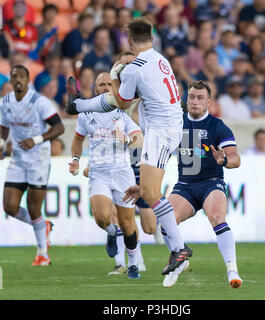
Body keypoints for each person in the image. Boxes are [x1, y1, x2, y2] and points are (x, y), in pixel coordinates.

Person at [66, 18, 192, 276]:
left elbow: (120, 102)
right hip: (171, 127)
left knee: (151, 194)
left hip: (159, 131)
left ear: (130, 42)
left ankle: (179, 247)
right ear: (152, 39)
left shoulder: (135, 69)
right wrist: (81, 106)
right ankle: (177, 248)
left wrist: (112, 76)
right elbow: (123, 97)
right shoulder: (160, 59)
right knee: (148, 191)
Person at [123, 81, 243, 288]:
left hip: (211, 184)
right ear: (186, 99)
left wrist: (224, 160)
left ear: (208, 102)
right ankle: (180, 259)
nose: (195, 101)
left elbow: (235, 158)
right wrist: (144, 185)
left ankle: (232, 270)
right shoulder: (175, 124)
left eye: (200, 98)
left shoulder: (217, 126)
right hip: (185, 186)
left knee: (216, 217)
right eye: (192, 97)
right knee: (165, 222)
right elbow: (159, 157)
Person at [69, 72, 144, 279]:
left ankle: (133, 263)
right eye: (101, 85)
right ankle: (112, 233)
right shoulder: (86, 114)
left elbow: (139, 138)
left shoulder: (122, 112)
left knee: (128, 223)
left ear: (115, 89)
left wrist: (127, 139)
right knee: (102, 218)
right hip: (98, 172)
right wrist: (76, 159)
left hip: (122, 172)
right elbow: (77, 140)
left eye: (109, 85)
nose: (105, 88)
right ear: (95, 90)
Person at [0, 65, 65, 265]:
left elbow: (59, 127)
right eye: (13, 77)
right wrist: (1, 143)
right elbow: (4, 126)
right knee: (9, 206)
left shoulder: (39, 102)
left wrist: (35, 140)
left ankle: (42, 254)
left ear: (28, 80)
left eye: (21, 77)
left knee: (33, 206)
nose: (17, 80)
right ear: (10, 81)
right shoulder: (6, 102)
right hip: (18, 158)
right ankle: (44, 226)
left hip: (38, 159)